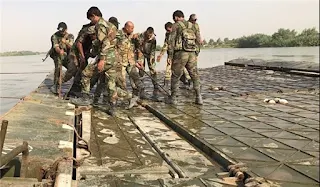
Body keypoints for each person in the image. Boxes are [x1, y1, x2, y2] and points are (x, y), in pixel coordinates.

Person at [167, 10, 203, 105]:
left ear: (176, 17)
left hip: (180, 54)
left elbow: (171, 42)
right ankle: (199, 97)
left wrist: (170, 56)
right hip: (192, 54)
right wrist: (196, 52)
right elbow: (199, 40)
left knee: (175, 75)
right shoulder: (192, 25)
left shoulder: (176, 25)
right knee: (194, 75)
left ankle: (173, 98)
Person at [156, 22, 191, 90]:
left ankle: (189, 82)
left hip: (179, 55)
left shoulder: (178, 33)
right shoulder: (167, 34)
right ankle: (166, 85)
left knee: (183, 69)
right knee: (168, 69)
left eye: (169, 30)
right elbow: (166, 44)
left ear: (172, 28)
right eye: (167, 30)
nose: (168, 31)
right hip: (171, 55)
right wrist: (161, 54)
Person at [134, 27, 159, 100]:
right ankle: (141, 86)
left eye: (150, 36)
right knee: (141, 70)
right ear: (146, 33)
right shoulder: (141, 36)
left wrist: (151, 59)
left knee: (153, 69)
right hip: (141, 52)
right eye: (148, 35)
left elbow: (153, 50)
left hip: (149, 53)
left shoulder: (153, 38)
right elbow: (137, 47)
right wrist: (138, 59)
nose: (149, 37)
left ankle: (156, 85)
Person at [49, 22, 74, 94]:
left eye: (63, 31)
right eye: (60, 31)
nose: (61, 32)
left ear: (66, 29)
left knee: (73, 68)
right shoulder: (54, 36)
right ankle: (55, 85)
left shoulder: (70, 36)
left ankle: (75, 85)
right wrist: (59, 51)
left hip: (67, 55)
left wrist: (65, 42)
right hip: (57, 55)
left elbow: (72, 47)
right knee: (58, 67)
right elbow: (56, 47)